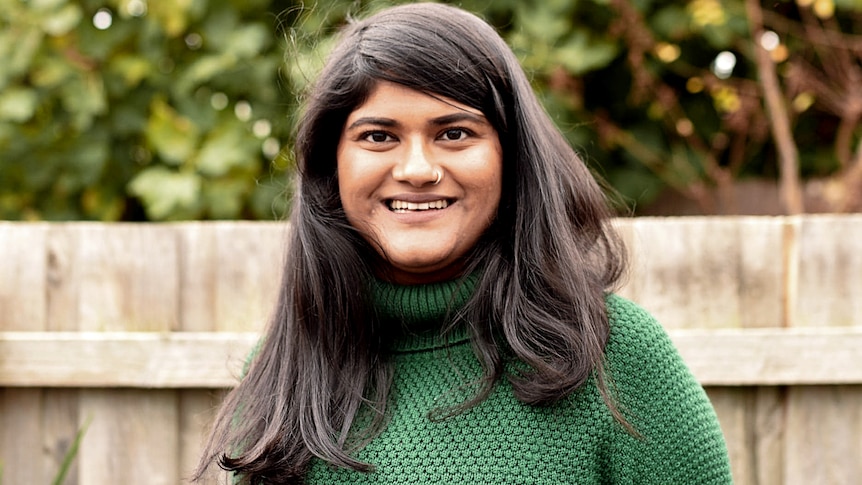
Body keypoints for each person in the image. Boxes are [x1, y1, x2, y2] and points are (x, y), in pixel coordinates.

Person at [194, 3, 733, 484]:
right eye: (378, 136)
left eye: (454, 133)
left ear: (511, 158)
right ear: (330, 166)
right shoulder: (285, 369)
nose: (418, 169)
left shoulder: (616, 358)